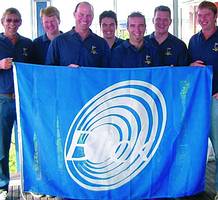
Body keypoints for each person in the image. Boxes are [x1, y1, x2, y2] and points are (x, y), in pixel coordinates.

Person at [0, 7, 33, 200]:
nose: (12, 24)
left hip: (24, 101)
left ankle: (26, 183)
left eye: (16, 20)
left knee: (25, 144)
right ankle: (3, 186)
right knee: (2, 146)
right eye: (9, 20)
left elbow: (37, 69)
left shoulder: (27, 44)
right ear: (3, 22)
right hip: (3, 100)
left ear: (20, 23)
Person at [188, 1, 218, 200]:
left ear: (215, 16)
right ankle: (194, 188)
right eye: (200, 15)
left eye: (207, 15)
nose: (203, 18)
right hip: (197, 102)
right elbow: (188, 68)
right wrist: (190, 64)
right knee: (195, 146)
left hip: (216, 100)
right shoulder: (193, 40)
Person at [46, 1, 110, 67]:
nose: (85, 19)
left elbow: (107, 73)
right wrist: (65, 71)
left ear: (92, 17)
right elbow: (49, 72)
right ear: (74, 14)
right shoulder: (58, 42)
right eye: (81, 15)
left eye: (88, 15)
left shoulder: (102, 44)